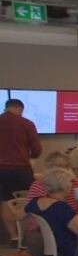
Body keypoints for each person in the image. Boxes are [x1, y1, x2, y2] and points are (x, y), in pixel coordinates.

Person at [24, 152, 78, 256]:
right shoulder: (40, 185)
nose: (65, 170)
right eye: (60, 166)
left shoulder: (75, 184)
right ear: (49, 168)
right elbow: (34, 212)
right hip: (41, 227)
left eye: (67, 167)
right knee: (37, 240)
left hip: (69, 222)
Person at [0, 98, 41, 246]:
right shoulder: (26, 123)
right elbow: (37, 150)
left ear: (6, 108)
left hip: (1, 171)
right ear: (20, 109)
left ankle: (13, 236)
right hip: (22, 169)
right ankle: (28, 234)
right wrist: (29, 155)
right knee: (29, 200)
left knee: (4, 202)